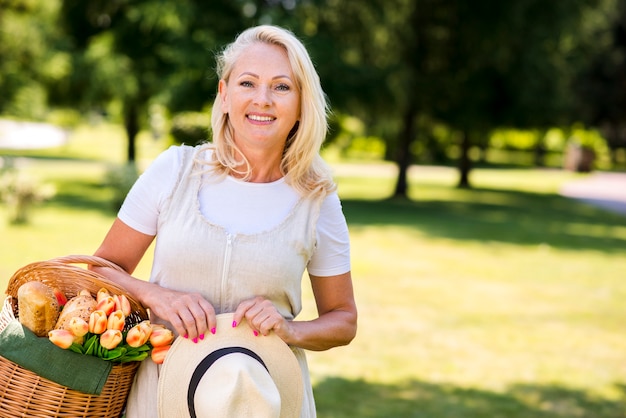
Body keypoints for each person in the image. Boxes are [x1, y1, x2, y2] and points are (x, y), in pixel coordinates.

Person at [91, 25, 357, 417]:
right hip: (162, 396)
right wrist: (155, 295)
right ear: (225, 94)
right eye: (247, 83)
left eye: (282, 87)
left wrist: (290, 330)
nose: (262, 100)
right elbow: (99, 270)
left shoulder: (317, 199)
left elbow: (344, 318)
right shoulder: (176, 170)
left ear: (301, 103)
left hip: (263, 399)